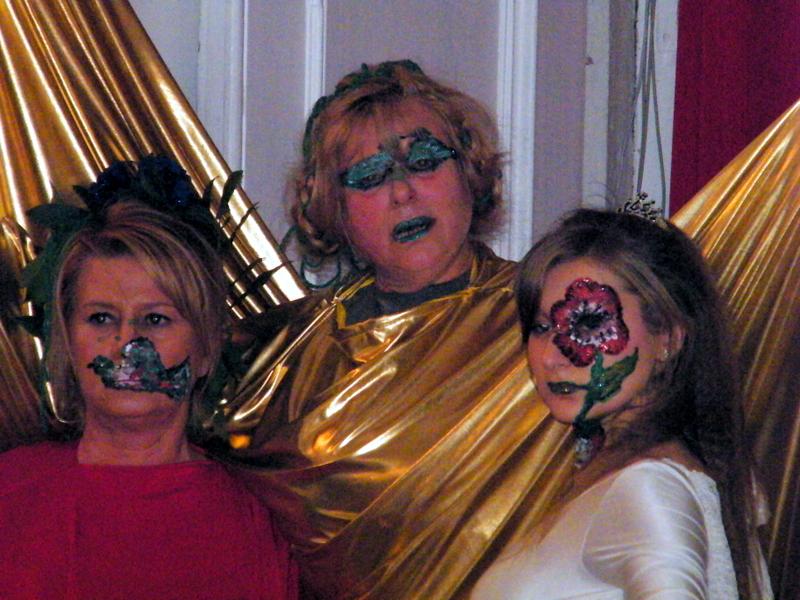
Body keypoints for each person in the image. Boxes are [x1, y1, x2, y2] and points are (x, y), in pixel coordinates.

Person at [211, 60, 573, 599]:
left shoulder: (550, 314)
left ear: (470, 173)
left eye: (423, 161)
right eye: (369, 176)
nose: (402, 192)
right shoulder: (280, 353)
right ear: (333, 210)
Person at [0, 157, 297, 599]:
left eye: (156, 319)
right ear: (67, 340)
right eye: (101, 318)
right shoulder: (11, 492)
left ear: (206, 347)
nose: (127, 342)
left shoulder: (261, 519)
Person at [472, 208, 772, 599]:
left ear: (667, 337)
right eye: (542, 327)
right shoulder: (624, 475)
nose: (551, 356)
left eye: (588, 324)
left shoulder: (650, 485)